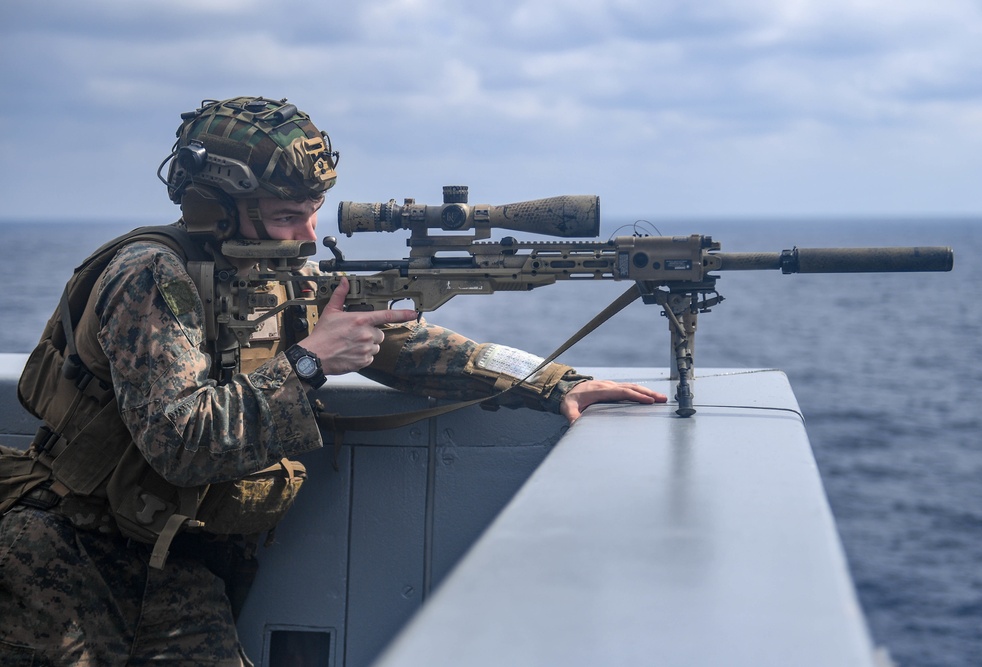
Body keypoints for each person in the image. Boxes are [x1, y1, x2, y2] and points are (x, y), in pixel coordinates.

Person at [0, 96, 666, 666]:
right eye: (289, 215)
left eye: (314, 210)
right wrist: (311, 362)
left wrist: (553, 381)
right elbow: (181, 441)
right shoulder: (151, 276)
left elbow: (411, 346)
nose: (310, 233)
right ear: (215, 208)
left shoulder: (279, 276)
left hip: (174, 563)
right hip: (67, 551)